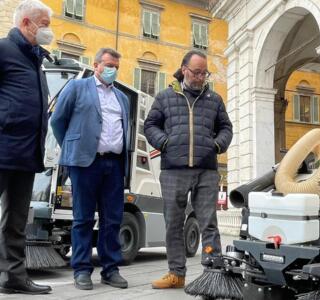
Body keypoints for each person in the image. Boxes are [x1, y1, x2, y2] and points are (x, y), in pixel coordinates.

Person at [144, 50, 233, 289]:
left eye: (204, 73)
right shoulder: (164, 97)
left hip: (207, 170)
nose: (200, 77)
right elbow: (150, 125)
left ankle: (213, 272)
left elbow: (226, 128)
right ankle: (176, 273)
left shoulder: (214, 100)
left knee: (208, 222)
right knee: (173, 222)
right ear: (184, 69)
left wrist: (216, 145)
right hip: (173, 169)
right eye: (196, 72)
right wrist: (164, 143)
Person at [51, 48, 129, 290]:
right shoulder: (77, 87)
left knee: (113, 219)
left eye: (116, 66)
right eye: (108, 64)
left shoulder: (122, 98)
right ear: (95, 64)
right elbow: (57, 120)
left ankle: (110, 269)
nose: (112, 69)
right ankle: (82, 270)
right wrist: (73, 147)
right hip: (85, 163)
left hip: (114, 164)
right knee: (82, 218)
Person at [0, 0, 53, 295]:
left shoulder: (35, 58)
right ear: (26, 24)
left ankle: (13, 279)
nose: (49, 31)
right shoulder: (3, 50)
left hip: (26, 152)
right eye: (44, 25)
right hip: (3, 146)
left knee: (16, 222)